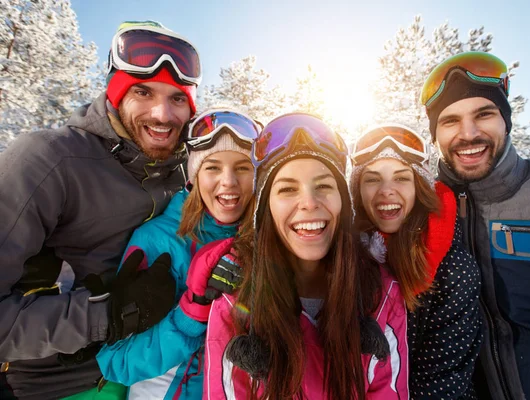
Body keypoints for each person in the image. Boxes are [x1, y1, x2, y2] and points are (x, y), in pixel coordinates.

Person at [0, 20, 201, 400]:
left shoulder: (184, 175)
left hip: (150, 375)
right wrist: (108, 315)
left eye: (177, 98)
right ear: (116, 94)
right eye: (143, 92)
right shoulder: (48, 162)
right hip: (54, 387)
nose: (163, 115)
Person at [420, 51, 530, 399]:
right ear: (435, 134)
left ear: (506, 119)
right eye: (450, 121)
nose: (468, 133)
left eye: (484, 114)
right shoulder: (416, 211)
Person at [199, 113, 409, 399]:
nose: (309, 203)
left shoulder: (380, 296)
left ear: (343, 204)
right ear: (266, 210)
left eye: (323, 186)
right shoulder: (233, 303)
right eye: (287, 189)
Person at [95, 109, 259, 399]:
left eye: (243, 167)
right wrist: (189, 315)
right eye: (213, 167)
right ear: (194, 176)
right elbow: (115, 362)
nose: (229, 182)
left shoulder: (268, 241)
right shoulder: (159, 240)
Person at [350, 124, 483, 399]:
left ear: (419, 187)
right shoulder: (345, 257)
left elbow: (443, 380)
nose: (386, 191)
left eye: (401, 178)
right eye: (372, 179)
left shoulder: (453, 269)